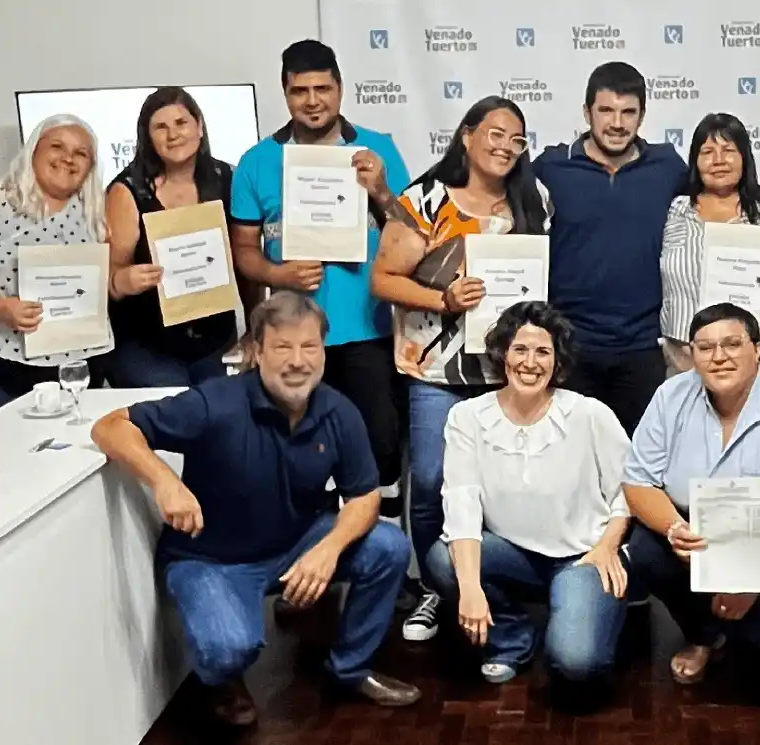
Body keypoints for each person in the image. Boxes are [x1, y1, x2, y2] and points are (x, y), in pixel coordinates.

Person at [89, 291, 420, 726]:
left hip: (295, 544)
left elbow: (365, 497)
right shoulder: (214, 402)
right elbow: (109, 427)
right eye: (283, 347)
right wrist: (164, 481)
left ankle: (350, 669)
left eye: (309, 347)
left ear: (323, 351)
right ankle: (225, 679)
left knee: (387, 546)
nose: (297, 360)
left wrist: (328, 550)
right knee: (228, 648)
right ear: (256, 351)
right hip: (209, 559)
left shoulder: (339, 411)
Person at [372, 95, 552, 643]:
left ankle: (481, 582)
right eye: (494, 134)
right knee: (430, 479)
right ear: (467, 136)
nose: (504, 147)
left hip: (506, 372)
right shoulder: (424, 200)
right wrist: (445, 300)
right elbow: (384, 281)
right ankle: (432, 585)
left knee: (496, 484)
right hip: (435, 371)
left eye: (516, 139)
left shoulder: (534, 201)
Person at [533, 62, 760, 436]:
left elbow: (715, 185)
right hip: (571, 343)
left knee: (643, 458)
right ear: (586, 112)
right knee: (574, 459)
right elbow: (499, 197)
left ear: (642, 115)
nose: (617, 123)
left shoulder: (666, 166)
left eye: (629, 112)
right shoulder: (552, 166)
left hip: (644, 347)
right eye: (606, 110)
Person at [621, 303, 760, 686]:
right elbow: (637, 481)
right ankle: (705, 635)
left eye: (732, 344)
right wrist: (675, 528)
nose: (719, 357)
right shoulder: (671, 396)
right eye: (705, 347)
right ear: (691, 355)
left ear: (757, 349)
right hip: (703, 543)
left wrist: (754, 580)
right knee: (643, 549)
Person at [230, 39, 409, 511]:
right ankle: (314, 562)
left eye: (323, 89)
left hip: (369, 328)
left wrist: (383, 193)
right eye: (299, 90)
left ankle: (387, 566)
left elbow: (414, 237)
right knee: (300, 454)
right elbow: (243, 252)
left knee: (380, 448)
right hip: (292, 334)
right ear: (284, 93)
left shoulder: (378, 149)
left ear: (340, 88)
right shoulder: (255, 162)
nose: (312, 101)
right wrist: (278, 273)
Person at [424, 301, 631, 692]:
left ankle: (586, 617)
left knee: (577, 663)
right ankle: (511, 638)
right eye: (520, 349)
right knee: (443, 558)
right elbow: (462, 504)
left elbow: (628, 490)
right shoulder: (467, 418)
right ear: (503, 353)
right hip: (513, 554)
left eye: (543, 352)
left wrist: (608, 545)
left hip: (583, 555)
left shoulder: (589, 414)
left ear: (558, 361)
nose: (530, 362)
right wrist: (469, 589)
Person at [661, 113, 760, 376]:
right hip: (685, 362)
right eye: (707, 151)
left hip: (759, 364)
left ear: (745, 157)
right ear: (695, 161)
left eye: (728, 150)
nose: (719, 160)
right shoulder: (674, 211)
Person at [104, 86, 237, 387]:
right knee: (176, 406)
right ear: (148, 137)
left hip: (215, 340)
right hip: (147, 344)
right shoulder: (126, 191)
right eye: (160, 127)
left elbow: (243, 258)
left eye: (181, 123)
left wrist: (256, 328)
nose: (173, 134)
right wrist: (124, 280)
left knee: (221, 409)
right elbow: (110, 276)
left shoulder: (227, 179)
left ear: (199, 127)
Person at [0, 114, 111, 407]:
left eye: (81, 153)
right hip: (10, 363)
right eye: (57, 147)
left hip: (84, 363)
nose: (68, 158)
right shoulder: (0, 202)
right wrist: (2, 308)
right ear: (34, 150)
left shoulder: (96, 210)